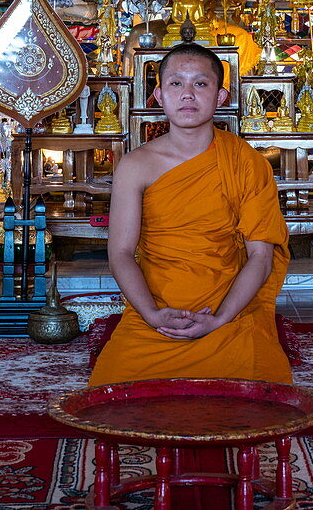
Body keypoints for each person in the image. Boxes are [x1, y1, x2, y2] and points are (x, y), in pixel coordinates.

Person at [89, 43, 292, 386]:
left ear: (221, 96)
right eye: (175, 84)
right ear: (158, 95)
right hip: (157, 310)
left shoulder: (246, 163)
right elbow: (121, 254)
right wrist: (153, 316)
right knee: (109, 396)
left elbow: (261, 255)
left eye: (200, 84)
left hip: (229, 309)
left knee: (263, 397)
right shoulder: (136, 166)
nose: (187, 95)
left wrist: (222, 318)